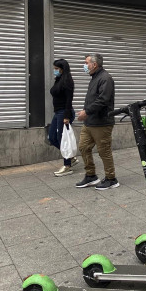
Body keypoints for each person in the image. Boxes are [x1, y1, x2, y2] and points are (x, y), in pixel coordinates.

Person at [75, 53, 119, 190]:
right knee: (83, 147)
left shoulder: (105, 78)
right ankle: (91, 176)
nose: (84, 65)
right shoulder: (94, 77)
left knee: (104, 151)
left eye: (86, 62)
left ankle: (111, 179)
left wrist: (86, 112)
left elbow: (103, 100)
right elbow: (92, 99)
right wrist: (85, 111)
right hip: (90, 122)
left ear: (94, 64)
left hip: (102, 123)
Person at [49, 59, 78, 177]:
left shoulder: (68, 82)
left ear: (62, 69)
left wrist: (66, 116)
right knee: (52, 138)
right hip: (58, 112)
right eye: (54, 68)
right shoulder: (59, 80)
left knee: (62, 139)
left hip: (64, 113)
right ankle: (71, 158)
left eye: (56, 69)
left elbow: (68, 101)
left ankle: (67, 166)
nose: (54, 70)